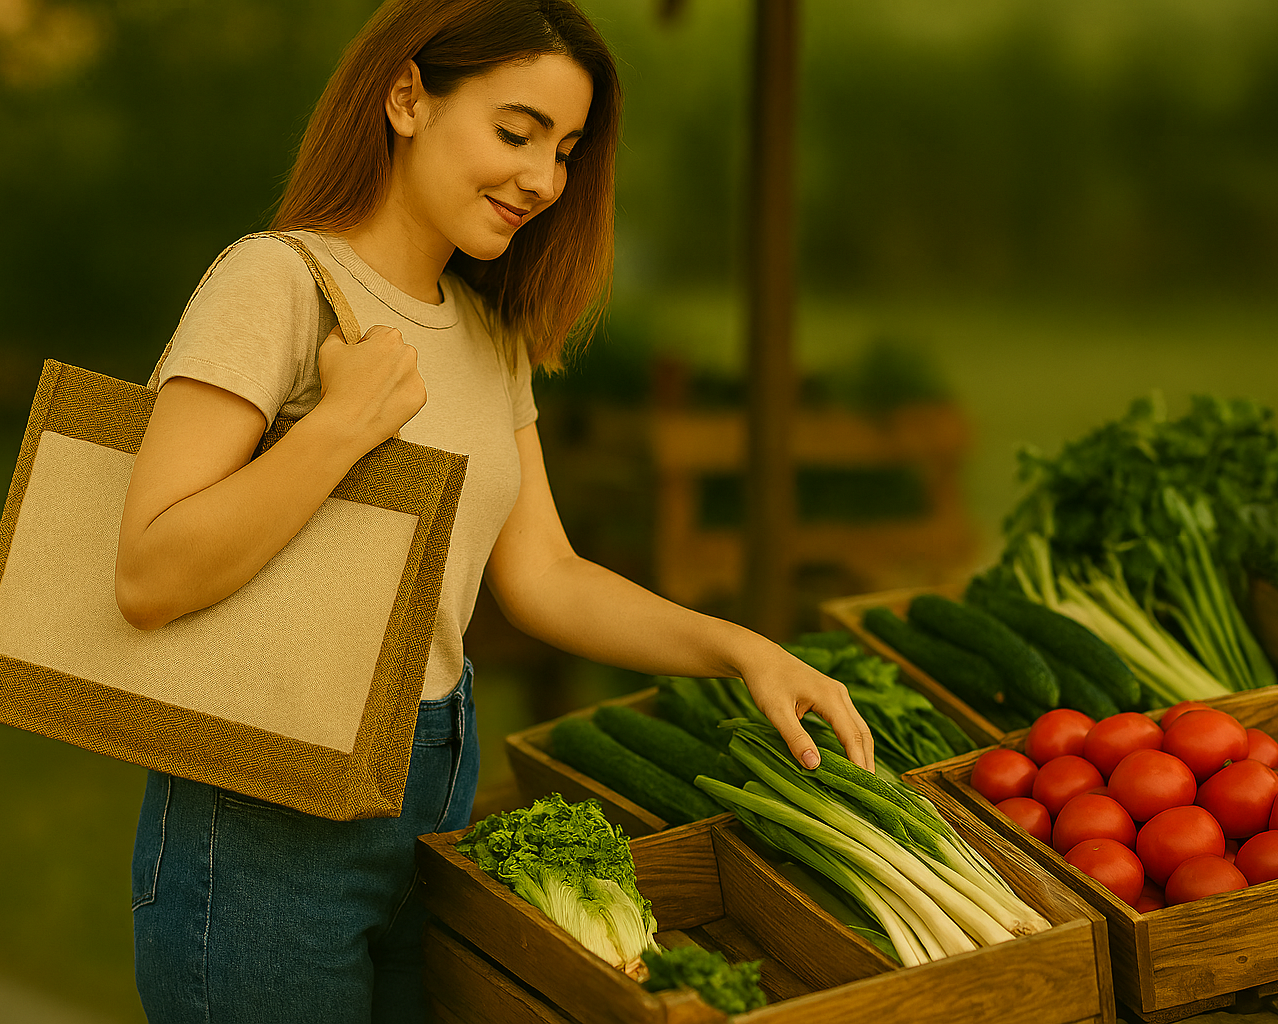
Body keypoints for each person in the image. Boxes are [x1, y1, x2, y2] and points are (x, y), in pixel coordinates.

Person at [114, 0, 874, 1021]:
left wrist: (744, 650)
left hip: (431, 792)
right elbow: (151, 572)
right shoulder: (278, 281)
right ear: (406, 97)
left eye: (564, 149)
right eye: (515, 132)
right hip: (267, 819)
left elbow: (544, 577)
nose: (543, 179)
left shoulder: (486, 331)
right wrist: (341, 427)